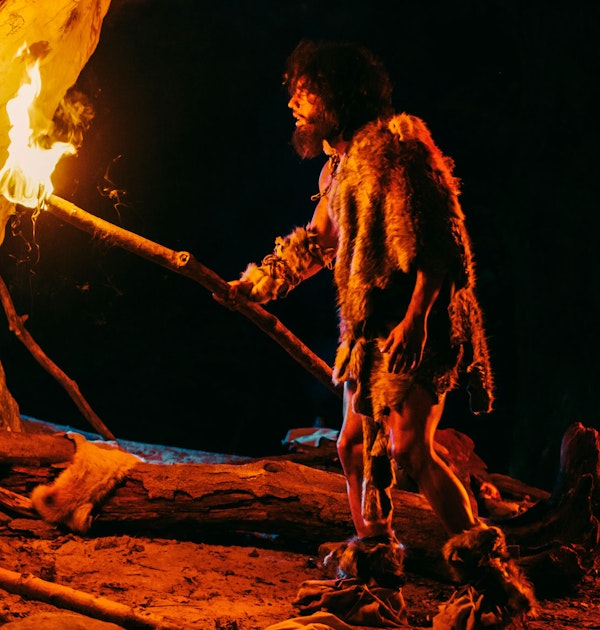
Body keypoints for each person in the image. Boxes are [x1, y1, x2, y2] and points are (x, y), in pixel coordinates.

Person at [219, 40, 534, 625]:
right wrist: (256, 284)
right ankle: (376, 570)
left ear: (338, 94)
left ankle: (494, 580)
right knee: (352, 446)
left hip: (421, 324)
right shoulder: (337, 165)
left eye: (306, 90)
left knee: (409, 449)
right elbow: (317, 244)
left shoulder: (397, 146)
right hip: (367, 336)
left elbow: (441, 241)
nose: (294, 102)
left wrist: (415, 319)